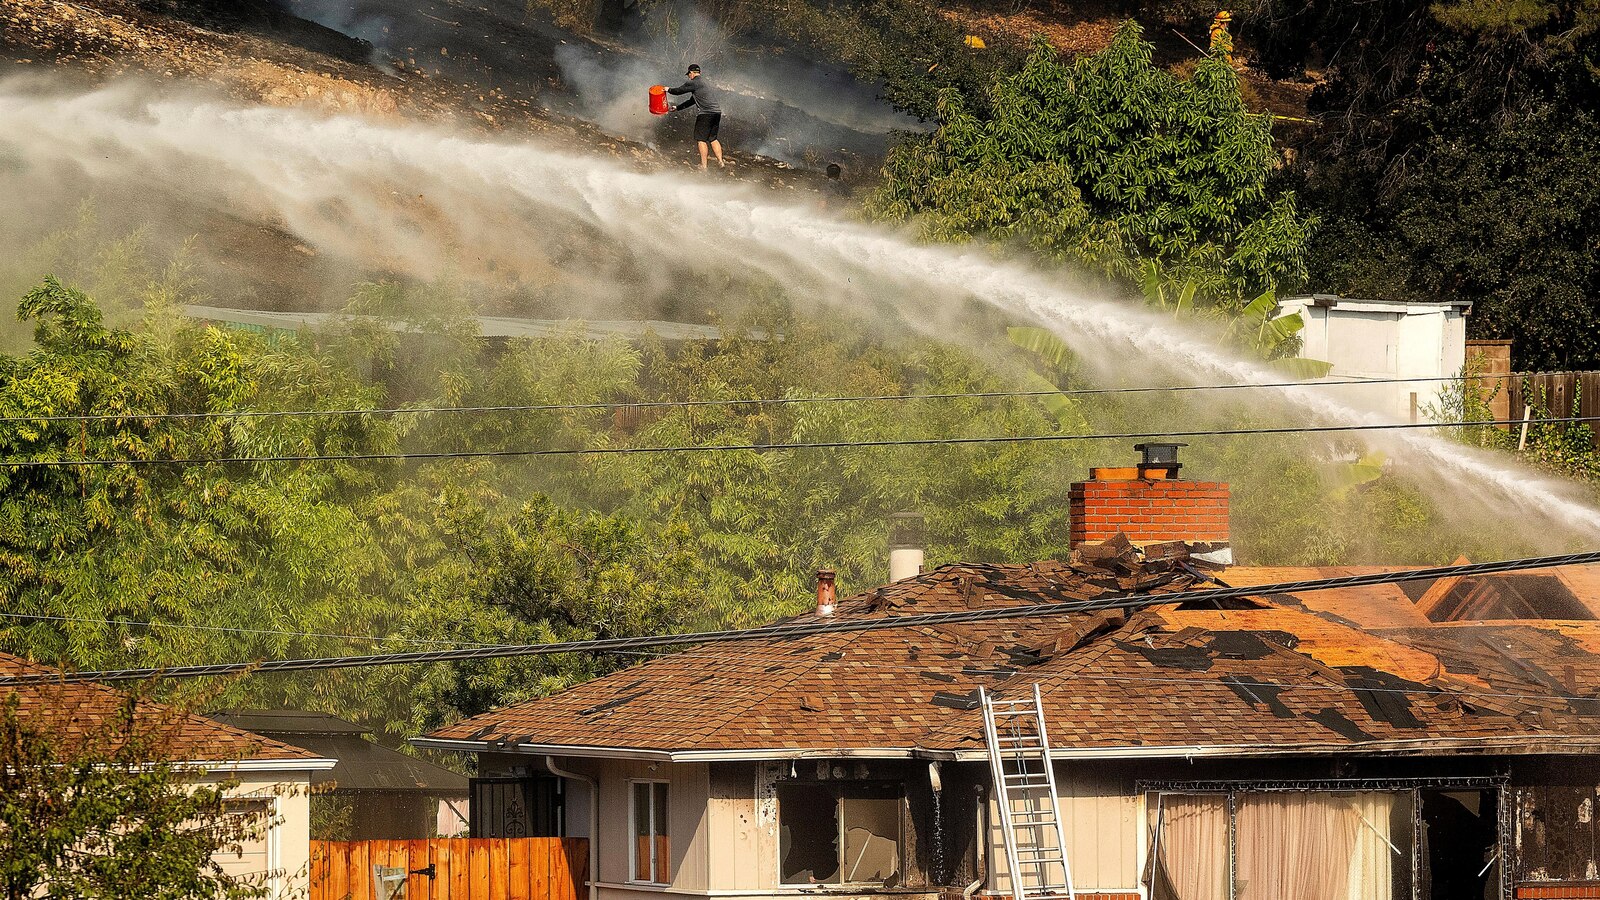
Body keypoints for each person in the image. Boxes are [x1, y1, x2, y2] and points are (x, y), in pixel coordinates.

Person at [667, 64, 724, 170]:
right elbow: (692, 101)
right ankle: (720, 162)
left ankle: (704, 166)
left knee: (701, 140)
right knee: (713, 138)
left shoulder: (694, 82)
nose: (689, 77)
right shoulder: (704, 83)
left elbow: (679, 91)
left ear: (691, 73)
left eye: (689, 75)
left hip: (705, 114)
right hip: (717, 113)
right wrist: (677, 108)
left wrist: (666, 89)